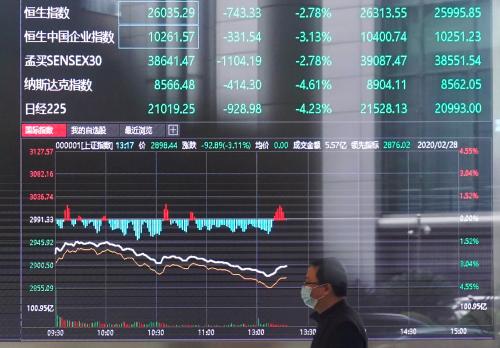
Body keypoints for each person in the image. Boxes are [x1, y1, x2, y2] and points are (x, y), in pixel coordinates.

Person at [301, 257, 367, 348]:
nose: (304, 287)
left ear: (326, 289)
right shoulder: (329, 320)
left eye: (308, 282)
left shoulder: (344, 327)